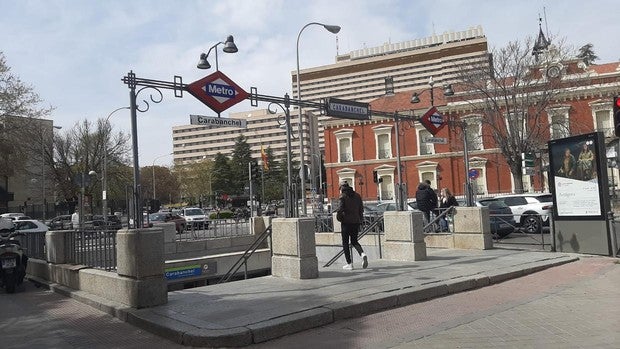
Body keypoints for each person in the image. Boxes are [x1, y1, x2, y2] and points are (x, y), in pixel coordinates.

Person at [336, 180, 368, 270]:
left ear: (342, 187)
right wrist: (360, 220)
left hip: (346, 222)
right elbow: (361, 210)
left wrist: (339, 217)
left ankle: (349, 264)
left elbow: (340, 209)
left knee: (345, 243)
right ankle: (362, 254)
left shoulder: (343, 196)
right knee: (354, 241)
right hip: (356, 222)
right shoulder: (357, 196)